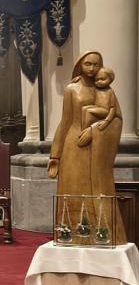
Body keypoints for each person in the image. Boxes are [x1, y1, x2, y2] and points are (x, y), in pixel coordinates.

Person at [48, 52, 125, 242]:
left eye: (96, 65)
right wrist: (55, 155)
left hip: (96, 144)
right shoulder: (71, 89)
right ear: (80, 65)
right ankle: (72, 235)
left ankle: (101, 235)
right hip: (73, 145)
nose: (91, 69)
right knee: (73, 189)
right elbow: (65, 122)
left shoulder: (106, 90)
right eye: (88, 64)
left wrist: (95, 129)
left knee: (96, 190)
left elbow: (115, 118)